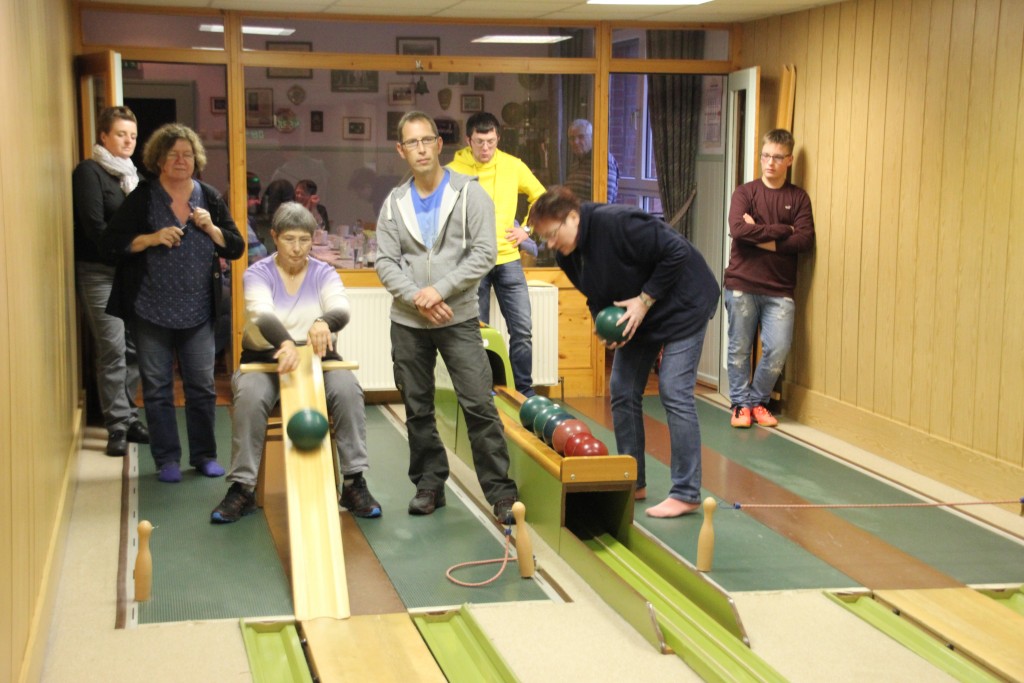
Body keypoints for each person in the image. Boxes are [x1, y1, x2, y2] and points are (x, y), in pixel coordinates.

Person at [529, 186, 719, 518]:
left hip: (684, 303)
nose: (550, 244)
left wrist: (645, 300)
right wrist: (605, 327)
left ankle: (687, 492)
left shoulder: (618, 223)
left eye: (552, 234)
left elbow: (676, 252)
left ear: (572, 217)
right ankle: (635, 480)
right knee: (621, 389)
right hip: (637, 315)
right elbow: (594, 295)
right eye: (544, 239)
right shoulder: (566, 253)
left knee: (674, 390)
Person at [375, 111, 519, 524]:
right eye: (411, 143)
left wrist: (439, 290)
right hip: (408, 323)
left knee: (478, 404)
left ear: (439, 145)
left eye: (426, 141)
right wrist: (418, 298)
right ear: (401, 151)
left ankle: (501, 493)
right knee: (416, 408)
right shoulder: (394, 203)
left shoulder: (470, 193)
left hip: (457, 319)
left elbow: (484, 254)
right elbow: (385, 262)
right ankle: (429, 485)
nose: (420, 149)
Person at [211, 202, 381, 523]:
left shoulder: (324, 272)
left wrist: (323, 322)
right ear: (274, 236)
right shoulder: (257, 273)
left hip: (318, 359)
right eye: (289, 239)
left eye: (304, 240)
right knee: (248, 395)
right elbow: (261, 314)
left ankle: (354, 481)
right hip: (266, 359)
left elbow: (341, 309)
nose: (297, 248)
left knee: (348, 389)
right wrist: (286, 342)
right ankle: (242, 488)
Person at [104, 123, 245, 483]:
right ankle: (166, 459)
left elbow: (235, 245)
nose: (181, 161)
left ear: (196, 159)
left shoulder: (209, 196)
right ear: (159, 160)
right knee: (157, 388)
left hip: (198, 312)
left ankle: (204, 455)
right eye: (172, 155)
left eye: (187, 154)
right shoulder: (143, 196)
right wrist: (151, 238)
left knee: (202, 387)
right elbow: (112, 242)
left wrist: (212, 228)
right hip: (150, 311)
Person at [447, 112, 546, 397]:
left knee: (523, 329)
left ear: (498, 138)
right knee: (475, 333)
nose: (486, 149)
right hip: (473, 263)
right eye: (480, 142)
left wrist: (527, 229)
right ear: (469, 140)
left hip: (508, 260)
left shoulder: (513, 165)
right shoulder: (454, 169)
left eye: (491, 141)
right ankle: (481, 389)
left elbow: (540, 196)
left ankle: (524, 391)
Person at [724, 129, 815, 429]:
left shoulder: (798, 198)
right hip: (742, 284)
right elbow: (738, 230)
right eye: (765, 156)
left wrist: (759, 234)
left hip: (779, 289)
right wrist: (783, 230)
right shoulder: (745, 193)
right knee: (739, 347)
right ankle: (739, 405)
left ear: (789, 160)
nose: (770, 163)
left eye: (777, 157)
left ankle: (757, 401)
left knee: (778, 347)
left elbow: (803, 241)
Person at [72, 106, 150, 457]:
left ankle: (130, 416)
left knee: (134, 349)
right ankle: (116, 425)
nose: (128, 141)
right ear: (104, 136)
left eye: (132, 136)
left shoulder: (133, 177)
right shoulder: (90, 172)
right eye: (121, 134)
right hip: (100, 272)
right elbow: (95, 227)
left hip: (131, 274)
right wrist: (135, 247)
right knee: (113, 349)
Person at [565, 119, 619, 203]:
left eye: (581, 137)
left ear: (592, 138)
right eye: (572, 138)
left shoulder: (603, 161)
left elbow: (604, 201)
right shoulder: (575, 164)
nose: (575, 142)